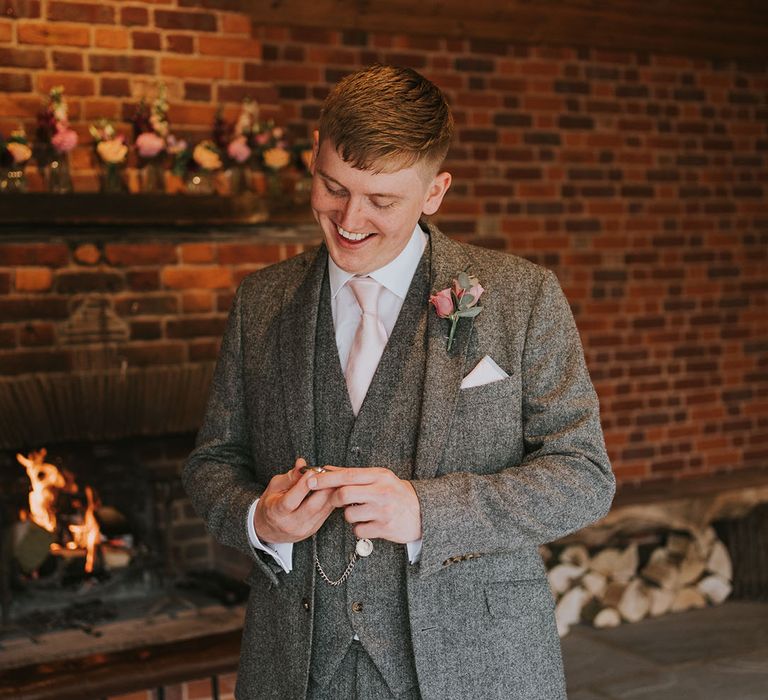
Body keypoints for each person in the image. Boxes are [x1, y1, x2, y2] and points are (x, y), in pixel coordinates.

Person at [183, 64, 615, 700]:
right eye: (333, 187)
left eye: (382, 200)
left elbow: (583, 477)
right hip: (295, 670)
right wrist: (259, 519)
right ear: (313, 159)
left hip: (478, 668)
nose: (350, 219)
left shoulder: (522, 299)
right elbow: (212, 463)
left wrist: (425, 511)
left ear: (435, 192)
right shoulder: (261, 302)